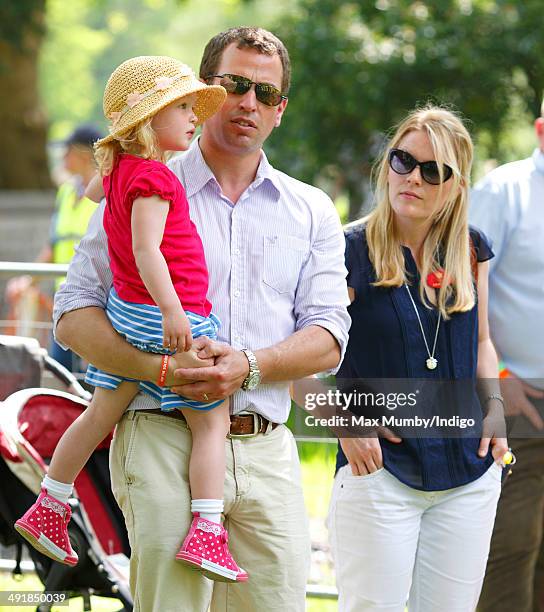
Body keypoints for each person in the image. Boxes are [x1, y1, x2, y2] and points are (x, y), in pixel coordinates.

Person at [51, 27, 350, 612]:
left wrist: (248, 367)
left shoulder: (310, 208)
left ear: (280, 110)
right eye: (234, 85)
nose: (248, 103)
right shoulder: (140, 177)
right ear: (205, 90)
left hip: (266, 449)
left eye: (265, 94)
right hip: (160, 435)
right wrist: (162, 370)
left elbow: (329, 337)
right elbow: (70, 315)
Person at [13, 56, 248, 581]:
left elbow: (99, 194)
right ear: (147, 118)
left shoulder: (117, 169)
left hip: (126, 315)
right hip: (165, 312)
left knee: (100, 415)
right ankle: (208, 531)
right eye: (182, 108)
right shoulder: (158, 178)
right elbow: (147, 250)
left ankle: (50, 504)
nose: (194, 117)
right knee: (211, 417)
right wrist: (172, 311)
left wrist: (115, 153)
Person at [326, 106, 509, 611]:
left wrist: (494, 409)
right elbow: (308, 355)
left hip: (468, 473)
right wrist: (342, 420)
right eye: (403, 161)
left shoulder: (472, 250)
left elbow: (483, 343)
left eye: (433, 170)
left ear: (455, 186)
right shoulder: (345, 250)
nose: (413, 178)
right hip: (380, 471)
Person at [471, 101, 544, 612]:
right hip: (519, 405)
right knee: (510, 546)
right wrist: (498, 377)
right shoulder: (504, 190)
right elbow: (462, 288)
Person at [5, 125, 102, 371]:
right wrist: (30, 281)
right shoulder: (66, 191)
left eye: (67, 151)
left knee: (90, 378)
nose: (62, 157)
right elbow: (54, 244)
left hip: (97, 302)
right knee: (61, 372)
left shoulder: (106, 191)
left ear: (82, 154)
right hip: (66, 299)